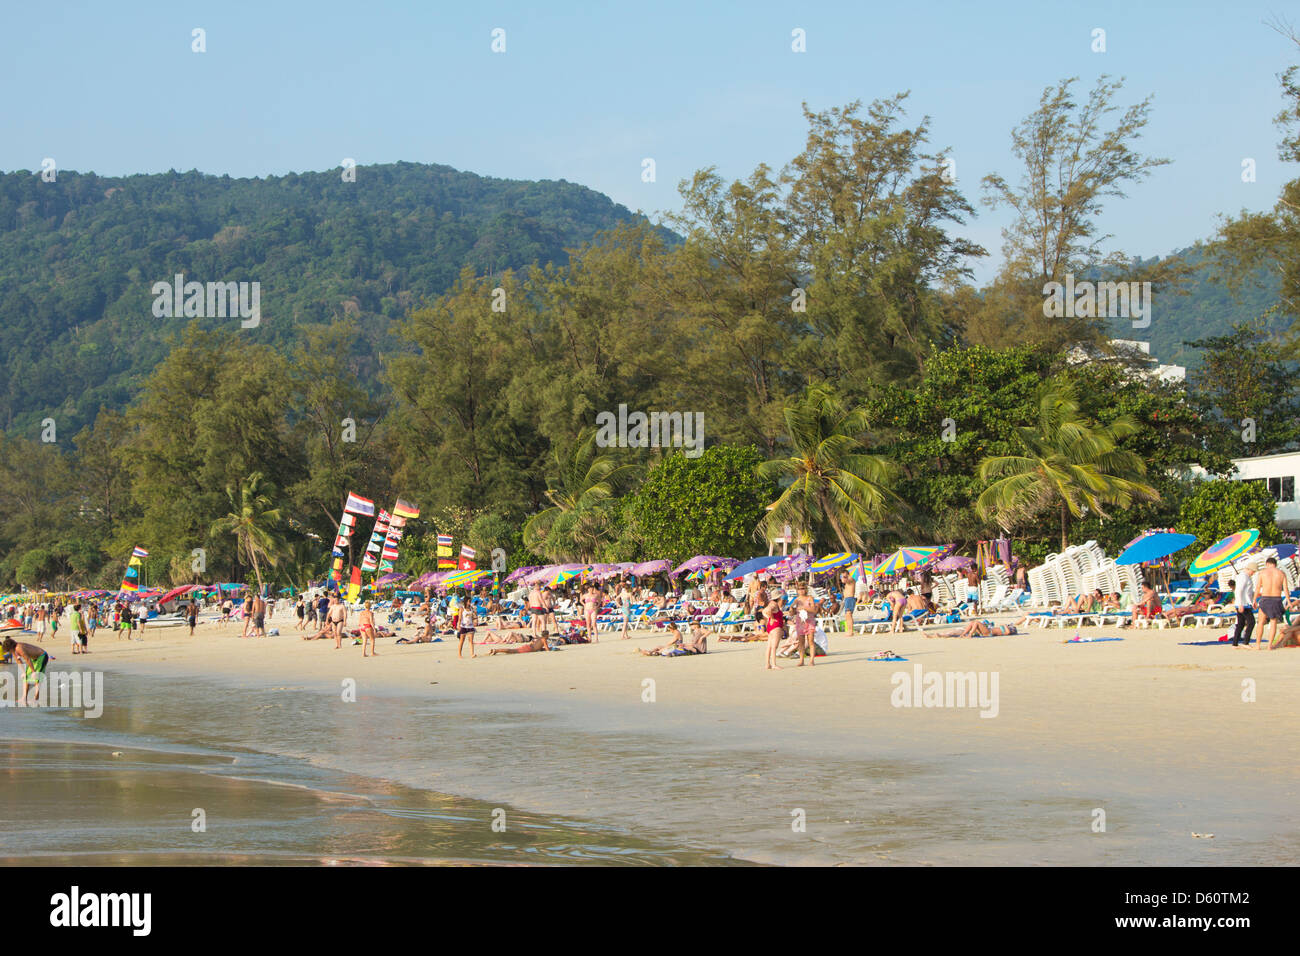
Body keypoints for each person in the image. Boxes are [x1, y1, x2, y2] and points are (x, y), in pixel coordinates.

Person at [3, 637, 51, 705]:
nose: (9, 652)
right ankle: (24, 698)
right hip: (33, 659)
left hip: (41, 656)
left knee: (37, 678)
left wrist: (33, 672)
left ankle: (36, 698)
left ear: (10, 647)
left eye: (8, 650)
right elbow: (18, 661)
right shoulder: (13, 651)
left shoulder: (19, 648)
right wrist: (23, 672)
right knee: (26, 678)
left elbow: (27, 660)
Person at [1255, 557, 1287, 650]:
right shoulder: (1281, 573)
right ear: (1275, 564)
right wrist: (1288, 601)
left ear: (1267, 564)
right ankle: (1269, 645)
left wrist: (1254, 600)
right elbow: (1285, 589)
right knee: (1273, 622)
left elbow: (1257, 588)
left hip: (1265, 598)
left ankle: (1257, 645)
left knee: (1261, 622)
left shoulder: (1262, 573)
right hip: (1276, 598)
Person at [791, 583, 821, 667]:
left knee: (811, 641)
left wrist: (804, 608)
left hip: (810, 621)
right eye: (799, 589)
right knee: (801, 642)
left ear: (806, 589)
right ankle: (801, 660)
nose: (801, 590)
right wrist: (792, 609)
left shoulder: (809, 598)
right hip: (800, 622)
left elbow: (814, 610)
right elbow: (792, 611)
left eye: (803, 588)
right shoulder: (796, 600)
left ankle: (812, 660)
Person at [1230, 572, 1256, 647]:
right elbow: (1239, 591)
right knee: (1251, 622)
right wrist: (1241, 604)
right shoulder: (1244, 577)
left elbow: (1246, 592)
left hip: (1242, 603)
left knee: (1241, 624)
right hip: (1243, 604)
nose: (1253, 573)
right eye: (1253, 571)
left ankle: (1235, 643)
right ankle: (1246, 642)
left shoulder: (1242, 576)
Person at [763, 595, 785, 671]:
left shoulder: (770, 603)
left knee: (769, 646)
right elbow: (767, 610)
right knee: (774, 646)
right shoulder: (774, 604)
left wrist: (769, 618)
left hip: (771, 626)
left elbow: (764, 611)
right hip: (776, 626)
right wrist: (772, 618)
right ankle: (774, 664)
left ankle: (768, 664)